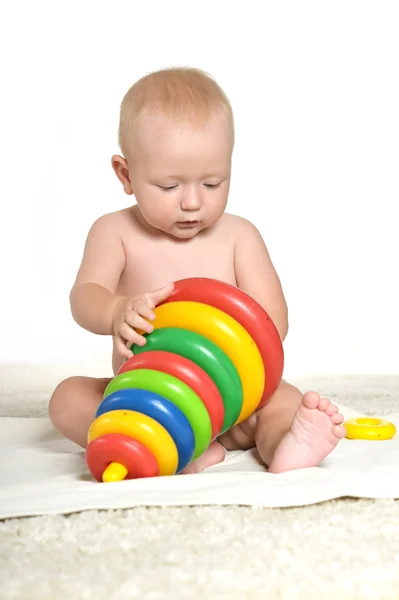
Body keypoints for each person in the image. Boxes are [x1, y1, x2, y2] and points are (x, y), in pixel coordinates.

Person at [49, 67, 346, 474]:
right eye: (169, 187)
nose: (192, 202)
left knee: (282, 400)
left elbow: (275, 320)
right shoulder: (114, 232)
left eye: (212, 183)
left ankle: (285, 446)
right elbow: (85, 297)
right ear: (126, 174)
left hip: (235, 397)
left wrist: (228, 349)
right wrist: (117, 310)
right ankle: (163, 448)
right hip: (149, 400)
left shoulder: (239, 235)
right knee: (67, 399)